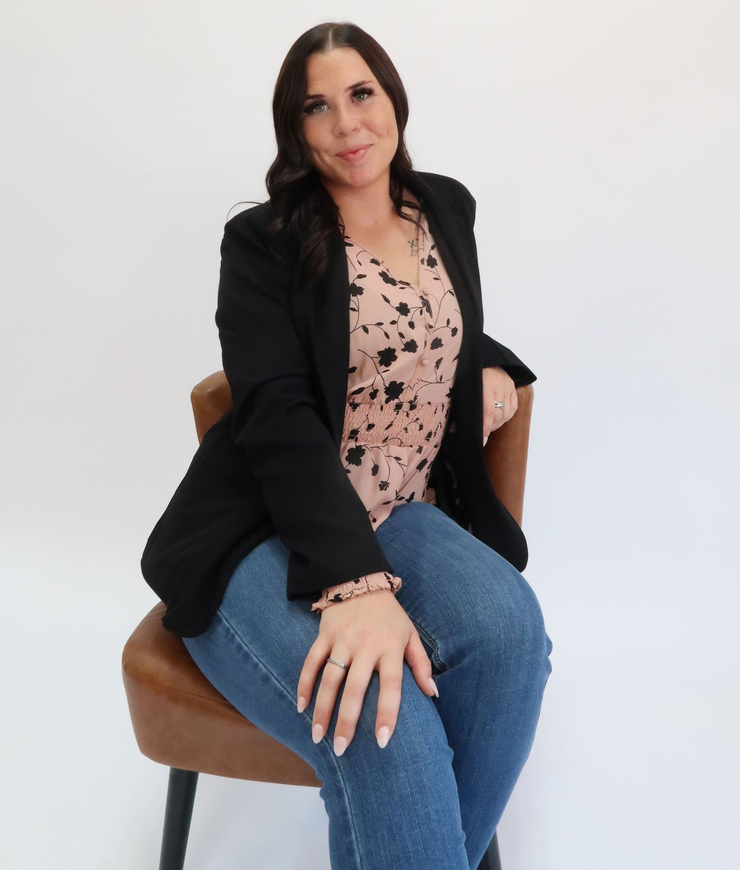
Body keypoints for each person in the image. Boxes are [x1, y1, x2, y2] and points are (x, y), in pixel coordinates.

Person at [140, 21, 553, 870]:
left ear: (392, 95)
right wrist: (353, 584)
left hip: (399, 506)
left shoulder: (444, 204)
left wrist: (495, 368)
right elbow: (280, 416)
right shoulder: (264, 243)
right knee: (376, 718)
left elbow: (438, 328)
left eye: (361, 93)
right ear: (295, 129)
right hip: (262, 528)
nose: (346, 124)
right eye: (316, 107)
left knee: (513, 634)